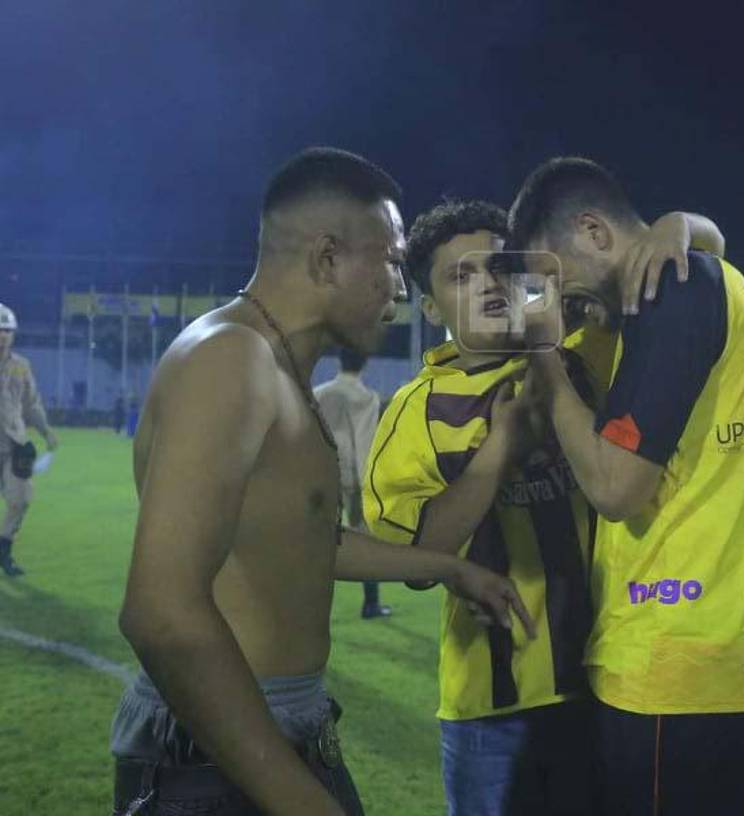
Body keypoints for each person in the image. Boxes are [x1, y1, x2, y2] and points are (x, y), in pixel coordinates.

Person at [110, 148, 534, 816]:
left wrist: (448, 570)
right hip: (215, 754)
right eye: (392, 261)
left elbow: (302, 537)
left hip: (286, 732)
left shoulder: (276, 367)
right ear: (328, 257)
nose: (399, 287)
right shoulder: (230, 359)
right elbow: (160, 614)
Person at [365, 198, 723, 815]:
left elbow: (700, 265)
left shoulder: (581, 358)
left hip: (610, 685)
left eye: (500, 267)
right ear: (430, 308)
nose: (488, 285)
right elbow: (414, 561)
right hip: (495, 712)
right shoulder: (414, 413)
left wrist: (680, 225)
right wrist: (504, 444)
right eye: (461, 275)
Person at [507, 157, 744, 816]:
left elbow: (614, 487)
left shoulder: (673, 294)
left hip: (668, 669)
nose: (556, 300)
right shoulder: (697, 281)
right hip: (723, 658)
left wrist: (546, 365)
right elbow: (707, 246)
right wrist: (683, 223)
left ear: (595, 231)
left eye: (552, 274)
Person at [314, 347, 390, 620]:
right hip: (353, 475)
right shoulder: (367, 398)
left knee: (317, 538)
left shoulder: (319, 393)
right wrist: (367, 482)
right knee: (364, 536)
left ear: (339, 361)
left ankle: (309, 604)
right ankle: (371, 604)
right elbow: (364, 439)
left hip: (321, 471)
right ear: (364, 364)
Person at [0, 302, 59, 578]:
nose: (3, 335)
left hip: (14, 444)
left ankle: (4, 552)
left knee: (21, 499)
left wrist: (46, 430)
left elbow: (32, 404)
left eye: (7, 330)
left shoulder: (21, 367)